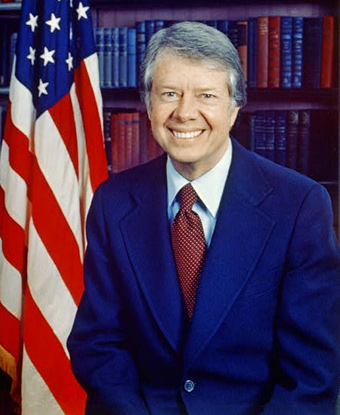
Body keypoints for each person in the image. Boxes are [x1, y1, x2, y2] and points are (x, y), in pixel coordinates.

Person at [67, 21, 340, 415]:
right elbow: (98, 345)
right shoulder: (113, 202)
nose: (184, 113)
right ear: (148, 104)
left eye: (206, 95)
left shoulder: (299, 206)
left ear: (234, 107)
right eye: (169, 94)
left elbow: (312, 378)